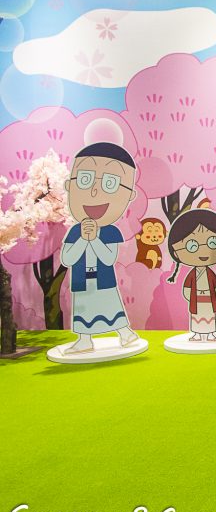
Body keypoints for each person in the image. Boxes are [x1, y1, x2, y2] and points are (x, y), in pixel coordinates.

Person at [60, 142, 140, 354]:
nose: (95, 191)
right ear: (69, 185)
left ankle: (125, 334)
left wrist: (94, 239)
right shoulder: (75, 231)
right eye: (85, 179)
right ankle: (84, 340)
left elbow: (108, 258)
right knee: (83, 311)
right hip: (81, 281)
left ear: (129, 195)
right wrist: (82, 239)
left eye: (110, 183)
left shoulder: (110, 232)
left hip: (104, 280)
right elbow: (67, 258)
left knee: (112, 307)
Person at [167, 209, 216, 342]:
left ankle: (210, 334)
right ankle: (197, 334)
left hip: (209, 299)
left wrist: (215, 296)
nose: (203, 251)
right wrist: (190, 297)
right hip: (196, 299)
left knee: (210, 317)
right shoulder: (192, 275)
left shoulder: (211, 274)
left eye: (213, 243)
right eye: (192, 246)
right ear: (176, 252)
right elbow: (187, 288)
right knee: (197, 317)